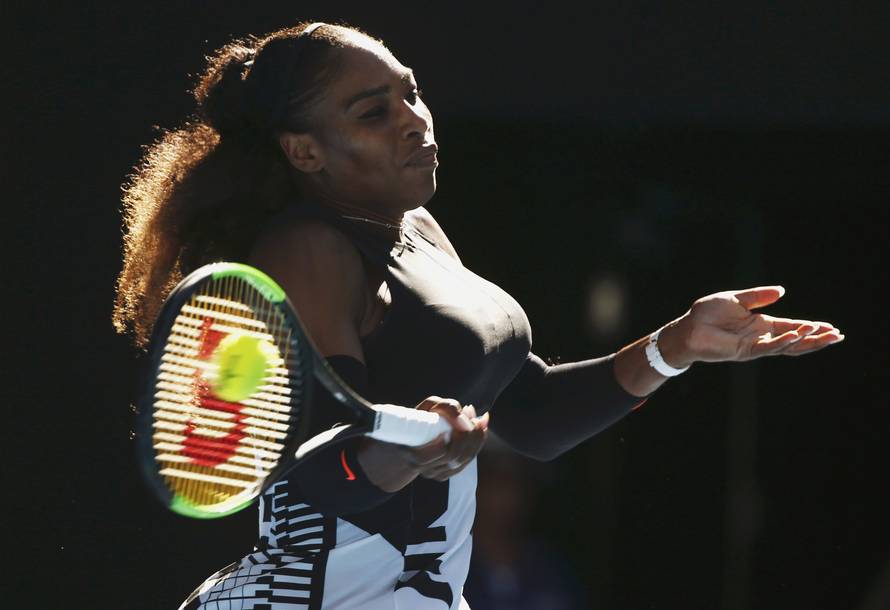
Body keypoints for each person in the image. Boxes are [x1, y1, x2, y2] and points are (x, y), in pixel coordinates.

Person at [112, 21, 844, 610]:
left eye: (411, 94)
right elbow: (311, 473)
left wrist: (676, 345)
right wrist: (407, 454)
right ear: (305, 151)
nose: (414, 122)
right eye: (374, 113)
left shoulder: (419, 229)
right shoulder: (307, 248)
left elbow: (532, 416)